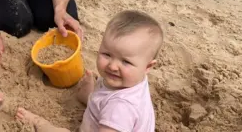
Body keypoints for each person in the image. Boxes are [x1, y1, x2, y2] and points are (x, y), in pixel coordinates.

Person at [16, 10, 164, 132]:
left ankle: (40, 123)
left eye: (126, 62)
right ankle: (91, 98)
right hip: (110, 116)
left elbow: (117, 113)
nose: (112, 66)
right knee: (102, 98)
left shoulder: (120, 108)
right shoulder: (134, 79)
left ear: (148, 67)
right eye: (107, 54)